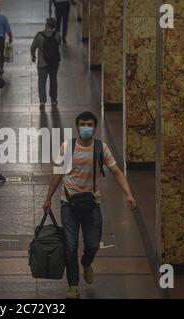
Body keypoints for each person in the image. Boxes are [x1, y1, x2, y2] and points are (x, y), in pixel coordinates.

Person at [42, 111, 137, 299]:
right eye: (83, 124)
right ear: (77, 126)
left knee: (93, 244)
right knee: (70, 246)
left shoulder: (101, 148)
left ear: (94, 127)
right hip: (68, 203)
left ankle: (86, 263)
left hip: (92, 202)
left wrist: (128, 194)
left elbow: (117, 172)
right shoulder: (67, 147)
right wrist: (47, 198)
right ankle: (73, 286)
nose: (86, 127)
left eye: (90, 124)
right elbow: (57, 175)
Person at [31, 17, 61, 108]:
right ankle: (54, 99)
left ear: (46, 25)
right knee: (53, 80)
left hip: (42, 63)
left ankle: (42, 101)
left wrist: (33, 56)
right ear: (54, 26)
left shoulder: (39, 35)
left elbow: (33, 47)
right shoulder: (57, 35)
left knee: (41, 82)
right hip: (54, 63)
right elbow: (57, 45)